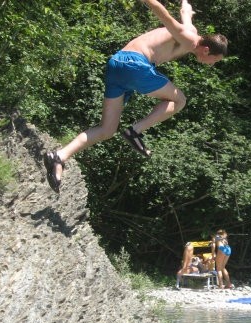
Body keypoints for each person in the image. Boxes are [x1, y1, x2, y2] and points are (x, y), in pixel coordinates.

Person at [43, 0, 228, 192]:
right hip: (135, 64)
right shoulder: (190, 38)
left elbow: (185, 13)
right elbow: (163, 14)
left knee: (107, 130)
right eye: (214, 60)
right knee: (179, 100)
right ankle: (134, 131)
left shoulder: (190, 34)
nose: (212, 64)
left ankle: (59, 157)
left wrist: (186, 8)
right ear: (206, 50)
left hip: (117, 64)